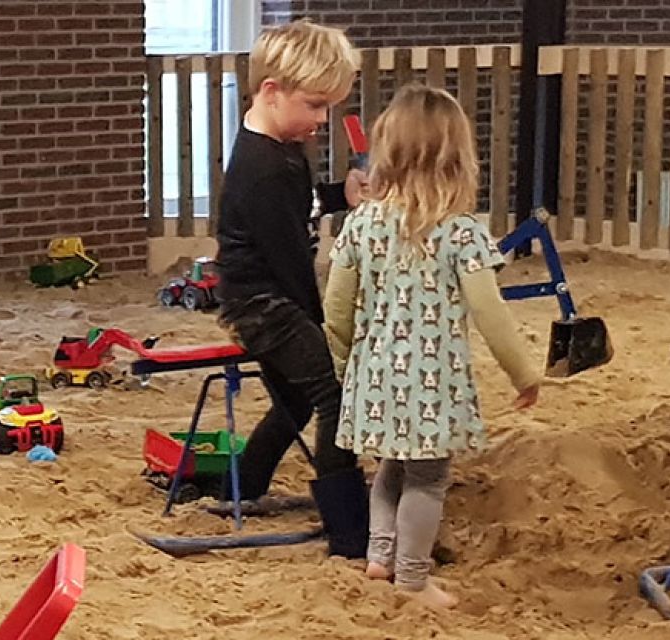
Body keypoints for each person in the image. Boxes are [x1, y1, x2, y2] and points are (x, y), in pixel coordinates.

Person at [323, 84, 542, 608]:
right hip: (432, 384)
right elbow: (491, 313)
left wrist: (340, 364)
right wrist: (524, 373)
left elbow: (336, 305)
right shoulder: (461, 233)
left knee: (389, 468)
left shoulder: (361, 223)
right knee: (428, 477)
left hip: (373, 376)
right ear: (456, 157)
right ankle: (413, 579)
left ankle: (380, 557)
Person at [211, 19, 370, 556]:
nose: (322, 120)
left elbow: (297, 211)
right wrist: (325, 325)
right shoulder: (264, 166)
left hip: (265, 297)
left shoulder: (277, 149)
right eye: (315, 105)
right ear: (272, 92)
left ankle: (246, 483)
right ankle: (350, 528)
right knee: (333, 392)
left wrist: (341, 195)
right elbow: (287, 262)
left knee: (297, 398)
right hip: (264, 304)